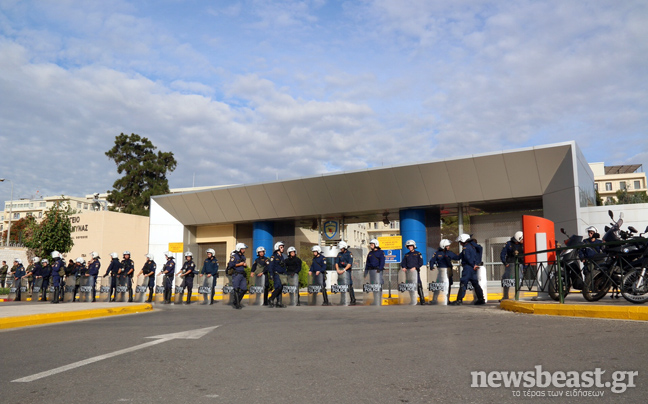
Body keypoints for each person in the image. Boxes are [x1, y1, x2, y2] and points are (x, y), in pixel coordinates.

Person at [451, 234, 486, 306]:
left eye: (460, 242)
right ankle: (481, 299)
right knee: (475, 283)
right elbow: (458, 257)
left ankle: (459, 300)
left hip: (468, 267)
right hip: (473, 268)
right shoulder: (472, 247)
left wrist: (473, 265)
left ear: (464, 241)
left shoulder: (466, 248)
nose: (460, 243)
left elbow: (467, 258)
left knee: (463, 282)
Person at [429, 239, 460, 304]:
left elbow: (457, 258)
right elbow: (432, 260)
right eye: (447, 246)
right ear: (443, 246)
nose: (448, 247)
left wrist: (461, 254)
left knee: (448, 285)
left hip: (448, 271)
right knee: (438, 285)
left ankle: (447, 299)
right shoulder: (437, 253)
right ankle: (434, 299)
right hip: (440, 271)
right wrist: (431, 266)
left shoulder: (449, 253)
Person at [500, 231, 523, 301]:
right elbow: (502, 254)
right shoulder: (508, 244)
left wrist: (524, 267)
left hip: (519, 265)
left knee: (518, 281)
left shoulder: (523, 245)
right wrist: (505, 263)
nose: (523, 240)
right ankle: (505, 296)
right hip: (510, 265)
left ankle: (517, 296)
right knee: (507, 280)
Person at [400, 240, 426, 305]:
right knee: (410, 286)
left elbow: (421, 263)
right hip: (408, 273)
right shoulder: (406, 255)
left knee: (418, 285)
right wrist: (404, 267)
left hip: (415, 272)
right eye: (408, 246)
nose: (410, 247)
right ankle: (413, 300)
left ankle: (422, 300)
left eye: (411, 246)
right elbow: (403, 263)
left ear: (414, 246)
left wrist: (415, 267)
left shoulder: (418, 254)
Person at [365, 239, 385, 304]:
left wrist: (380, 268)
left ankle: (378, 300)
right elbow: (367, 263)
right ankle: (375, 300)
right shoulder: (370, 253)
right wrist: (366, 272)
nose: (371, 246)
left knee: (378, 285)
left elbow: (382, 261)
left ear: (376, 245)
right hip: (371, 271)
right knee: (373, 286)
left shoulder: (380, 252)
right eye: (370, 244)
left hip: (377, 271)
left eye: (372, 244)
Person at [335, 241, 356, 305]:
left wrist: (344, 270)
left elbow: (350, 263)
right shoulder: (339, 254)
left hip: (347, 271)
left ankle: (353, 300)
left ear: (345, 247)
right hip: (340, 272)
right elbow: (336, 263)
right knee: (341, 286)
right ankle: (342, 300)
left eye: (342, 248)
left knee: (349, 286)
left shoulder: (349, 254)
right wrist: (338, 270)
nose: (341, 249)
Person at [228, 243, 248, 309]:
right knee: (236, 289)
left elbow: (243, 265)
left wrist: (244, 265)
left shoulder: (243, 257)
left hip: (242, 274)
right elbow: (231, 265)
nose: (244, 250)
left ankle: (236, 300)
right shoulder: (234, 256)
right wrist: (239, 264)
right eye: (242, 249)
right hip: (236, 274)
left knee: (244, 289)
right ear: (239, 249)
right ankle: (237, 304)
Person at [268, 241, 287, 308]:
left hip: (282, 275)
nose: (283, 249)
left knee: (281, 288)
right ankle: (271, 298)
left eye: (283, 247)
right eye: (281, 247)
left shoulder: (282, 256)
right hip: (276, 274)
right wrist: (271, 274)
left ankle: (278, 302)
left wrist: (285, 273)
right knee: (278, 287)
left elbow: (284, 266)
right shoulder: (273, 256)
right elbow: (270, 266)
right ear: (277, 248)